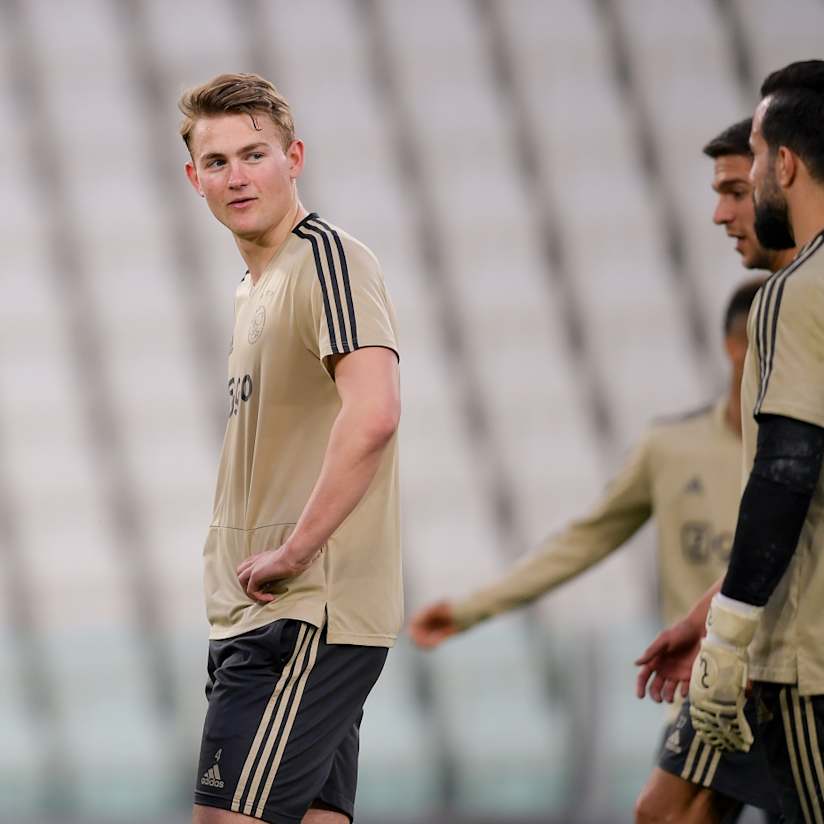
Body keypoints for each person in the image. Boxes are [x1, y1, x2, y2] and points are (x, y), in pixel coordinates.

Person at [410, 274, 769, 822]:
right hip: (709, 682)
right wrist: (471, 609)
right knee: (663, 815)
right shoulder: (672, 448)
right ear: (733, 345)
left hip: (787, 679)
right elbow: (588, 538)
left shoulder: (801, 458)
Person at [179, 73, 402, 824]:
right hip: (263, 611)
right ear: (193, 179)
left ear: (293, 157)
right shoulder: (255, 286)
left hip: (303, 612)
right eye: (217, 162)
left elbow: (374, 413)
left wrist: (295, 551)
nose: (236, 177)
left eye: (254, 154)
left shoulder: (329, 258)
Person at [636, 60, 824, 823]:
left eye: (739, 183)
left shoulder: (793, 296)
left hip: (795, 642)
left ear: (782, 164)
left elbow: (788, 474)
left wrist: (729, 632)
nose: (723, 211)